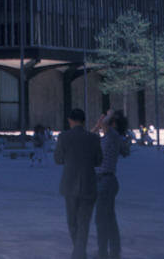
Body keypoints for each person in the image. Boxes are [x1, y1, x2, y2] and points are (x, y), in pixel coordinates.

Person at [55, 108, 101, 259]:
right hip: (89, 185)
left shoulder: (64, 137)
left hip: (70, 185)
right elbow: (98, 161)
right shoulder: (93, 138)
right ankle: (79, 253)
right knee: (84, 222)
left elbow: (58, 159)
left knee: (72, 222)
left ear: (70, 120)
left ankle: (78, 253)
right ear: (84, 121)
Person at [94, 110, 130, 259]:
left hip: (105, 181)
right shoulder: (112, 137)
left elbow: (103, 123)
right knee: (109, 218)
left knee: (101, 219)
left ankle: (104, 253)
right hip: (105, 181)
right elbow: (91, 134)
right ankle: (114, 252)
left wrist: (109, 114)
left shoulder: (113, 136)